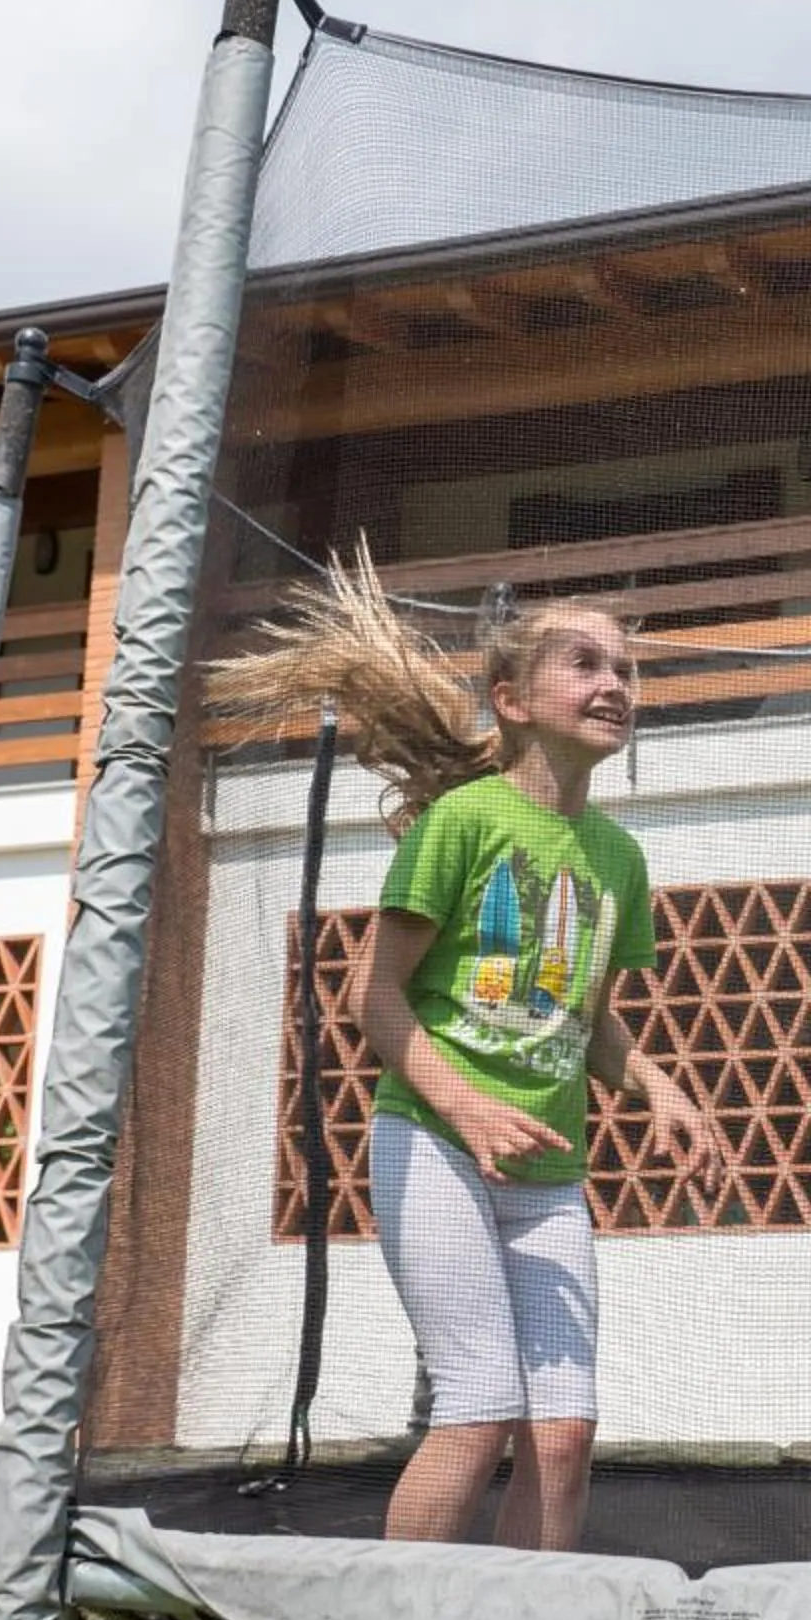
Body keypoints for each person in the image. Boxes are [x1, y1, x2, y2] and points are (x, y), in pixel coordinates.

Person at [209, 547, 723, 1550]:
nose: (613, 683)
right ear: (512, 699)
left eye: (625, 669)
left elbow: (584, 1016)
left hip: (547, 1169)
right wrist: (468, 1106)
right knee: (481, 1405)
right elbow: (375, 996)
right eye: (584, 664)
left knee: (565, 1431)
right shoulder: (462, 822)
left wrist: (658, 1084)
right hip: (435, 1146)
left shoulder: (618, 855)